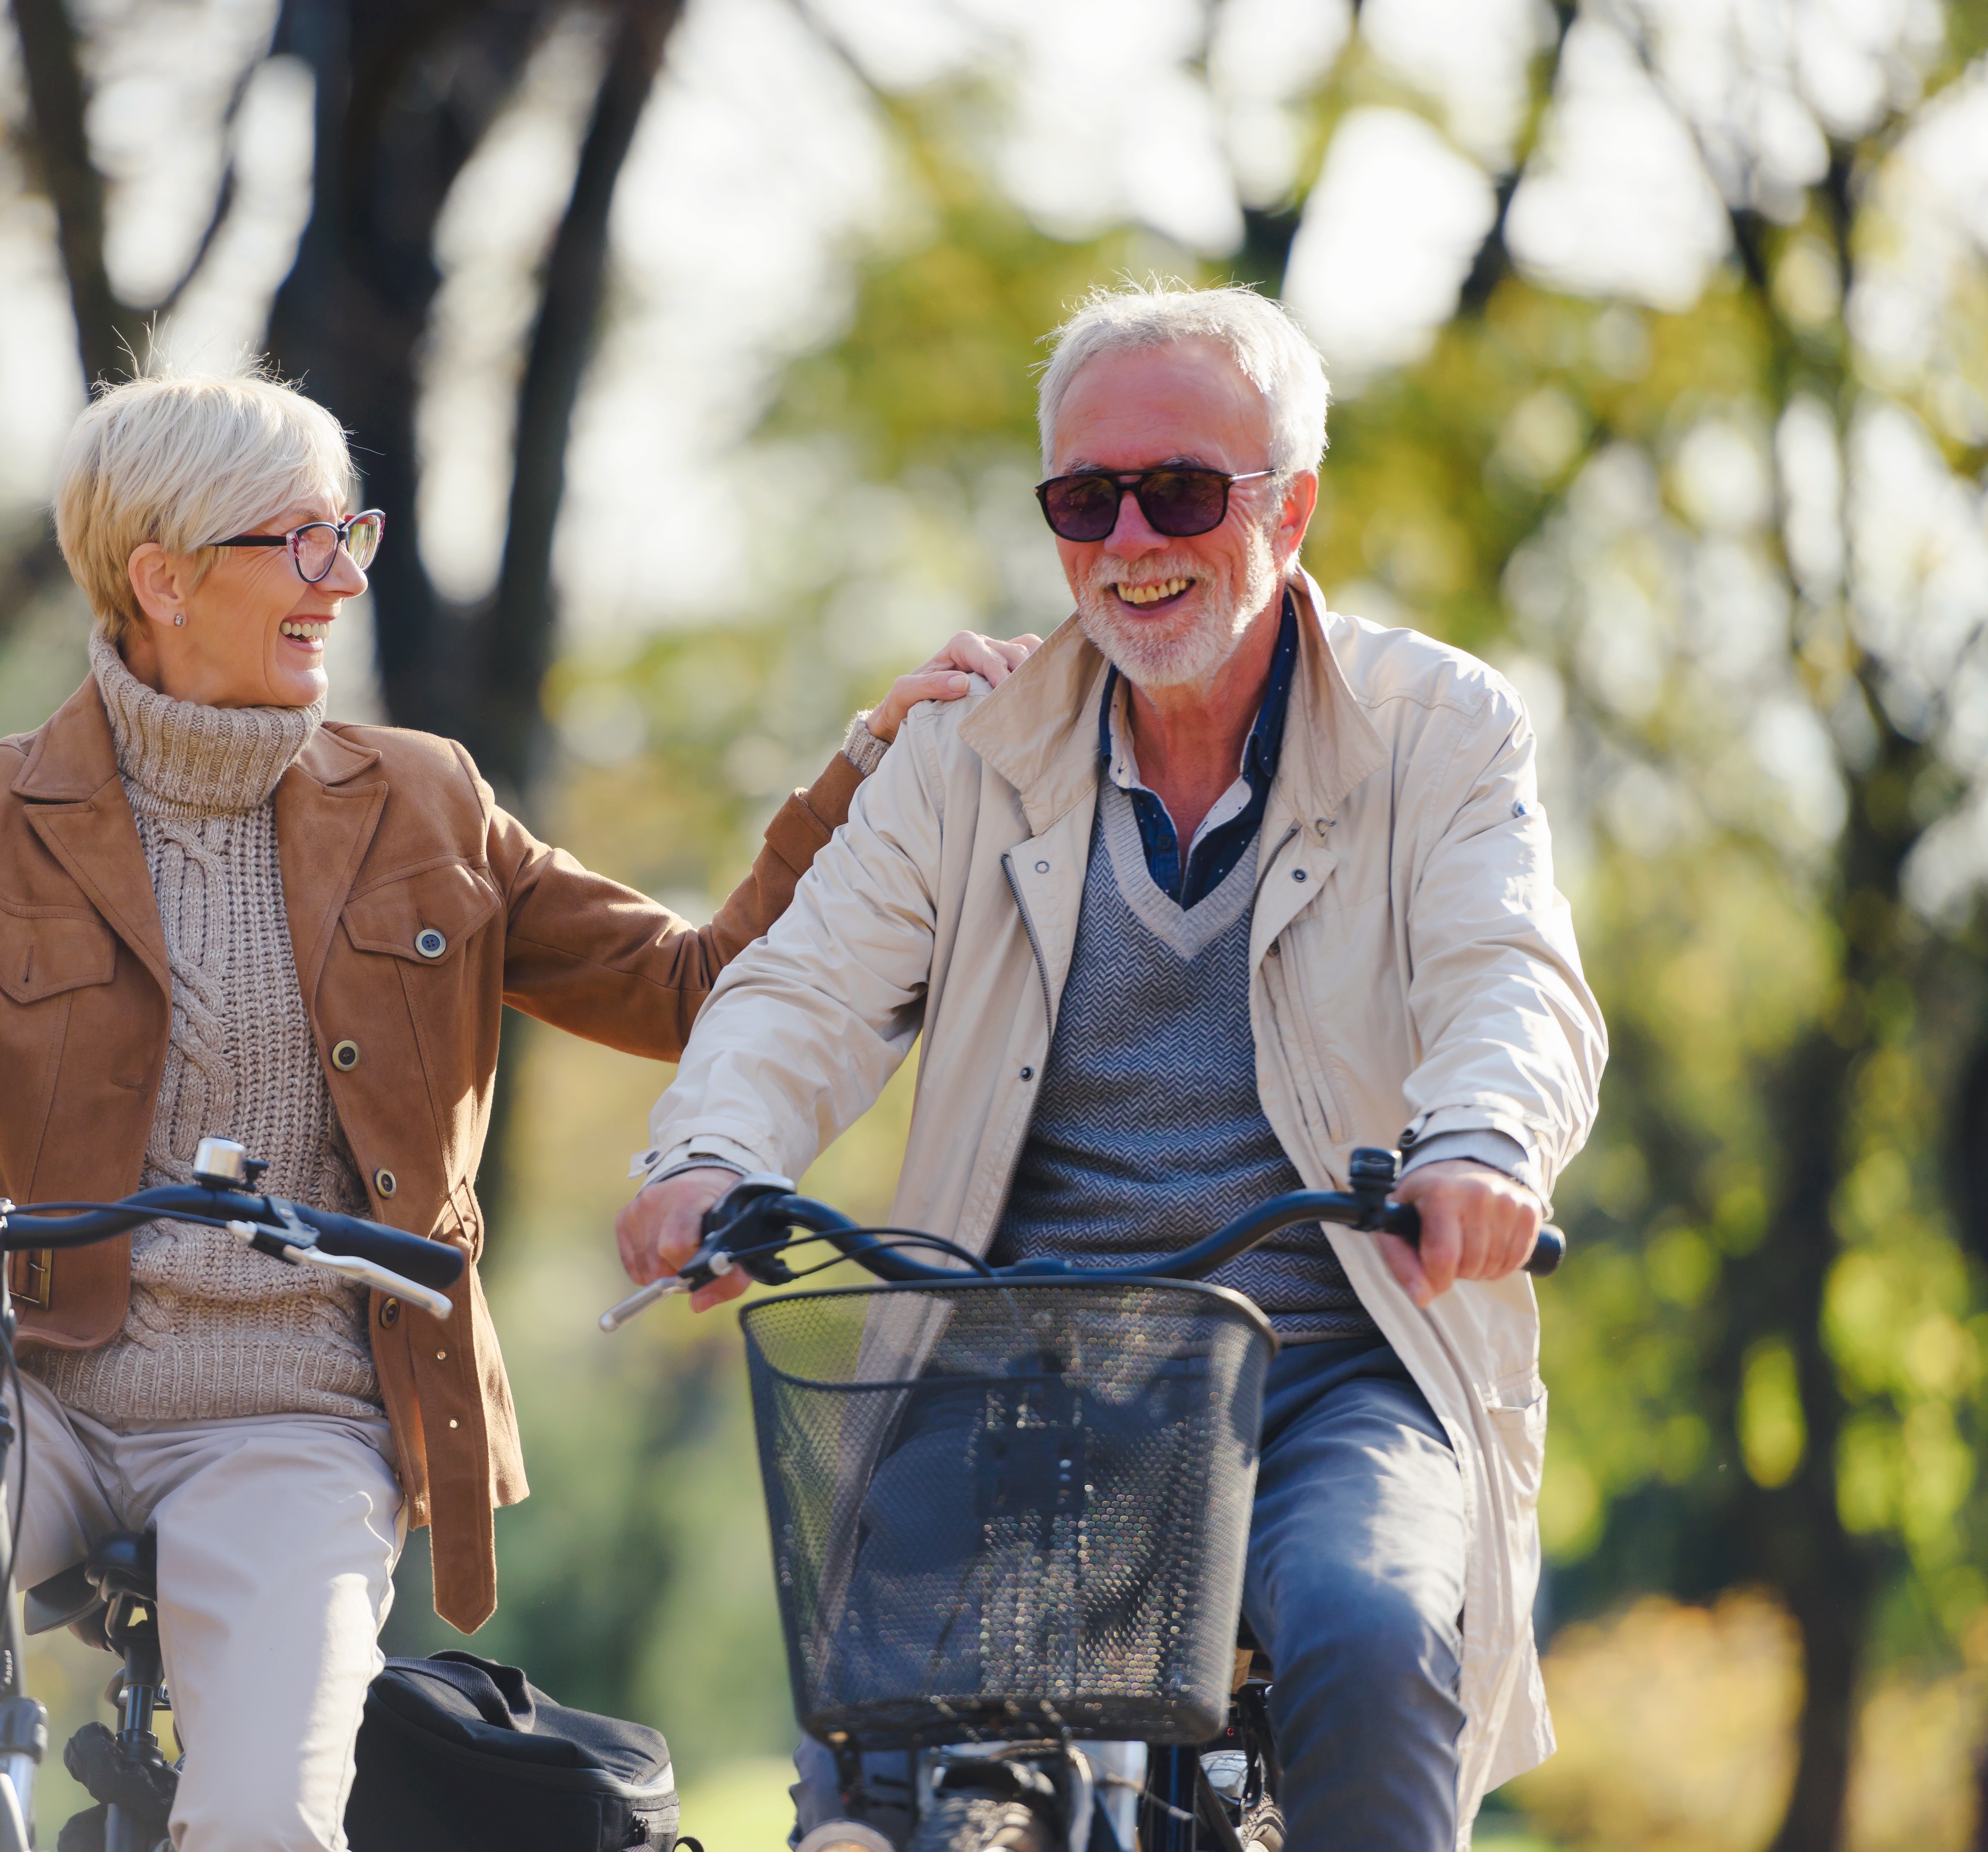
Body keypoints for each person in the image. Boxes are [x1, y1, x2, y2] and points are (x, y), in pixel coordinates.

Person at [0, 368, 1033, 1852]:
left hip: (301, 1413)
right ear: (164, 577)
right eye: (301, 541)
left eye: (352, 533)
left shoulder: (427, 803)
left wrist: (860, 769)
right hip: (19, 1370)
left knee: (265, 1823)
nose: (341, 577)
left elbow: (685, 980)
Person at [616, 283, 1606, 1847]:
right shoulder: (971, 750)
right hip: (1022, 1363)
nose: (1132, 539)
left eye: (1185, 491)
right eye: (1088, 498)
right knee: (876, 1754)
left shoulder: (1442, 729)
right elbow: (803, 986)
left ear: (1294, 505)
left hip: (1336, 1357)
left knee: (1374, 1627)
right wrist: (703, 1152)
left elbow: (1511, 974)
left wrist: (1481, 1141)